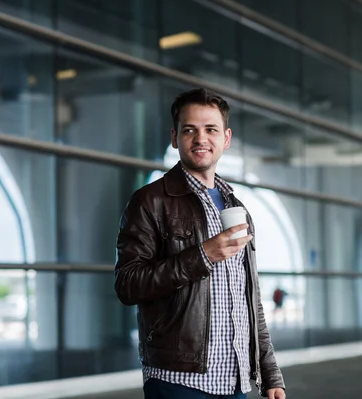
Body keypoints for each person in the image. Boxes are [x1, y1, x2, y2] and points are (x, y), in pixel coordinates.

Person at [114, 88, 286, 399]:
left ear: (226, 138)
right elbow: (128, 284)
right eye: (189, 129)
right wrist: (203, 255)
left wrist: (271, 373)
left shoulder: (237, 209)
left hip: (236, 381)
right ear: (174, 137)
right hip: (177, 379)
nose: (200, 139)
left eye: (211, 129)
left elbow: (251, 298)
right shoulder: (150, 202)